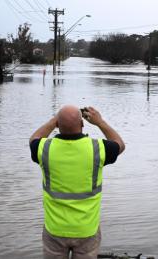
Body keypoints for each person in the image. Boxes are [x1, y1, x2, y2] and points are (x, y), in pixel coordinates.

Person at [29, 105, 125, 259]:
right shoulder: (98, 149)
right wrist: (100, 122)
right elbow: (120, 144)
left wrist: (54, 121)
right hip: (86, 229)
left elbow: (33, 139)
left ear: (57, 125)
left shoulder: (43, 148)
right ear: (82, 124)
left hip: (55, 229)